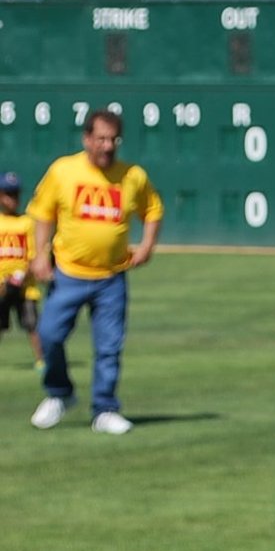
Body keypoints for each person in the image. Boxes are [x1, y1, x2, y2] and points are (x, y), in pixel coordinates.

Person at [27, 107, 164, 435]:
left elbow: (153, 208)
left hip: (111, 277)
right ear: (87, 138)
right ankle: (60, 393)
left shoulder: (132, 176)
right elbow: (43, 213)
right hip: (68, 273)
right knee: (49, 335)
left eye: (113, 139)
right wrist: (40, 254)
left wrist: (146, 245)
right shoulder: (64, 171)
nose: (106, 146)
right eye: (100, 138)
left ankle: (104, 408)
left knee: (109, 347)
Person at [0, 171, 46, 371]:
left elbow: (33, 254)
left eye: (16, 194)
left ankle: (42, 361)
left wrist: (21, 276)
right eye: (9, 194)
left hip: (24, 285)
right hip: (1, 285)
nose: (13, 199)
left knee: (32, 325)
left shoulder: (27, 222)